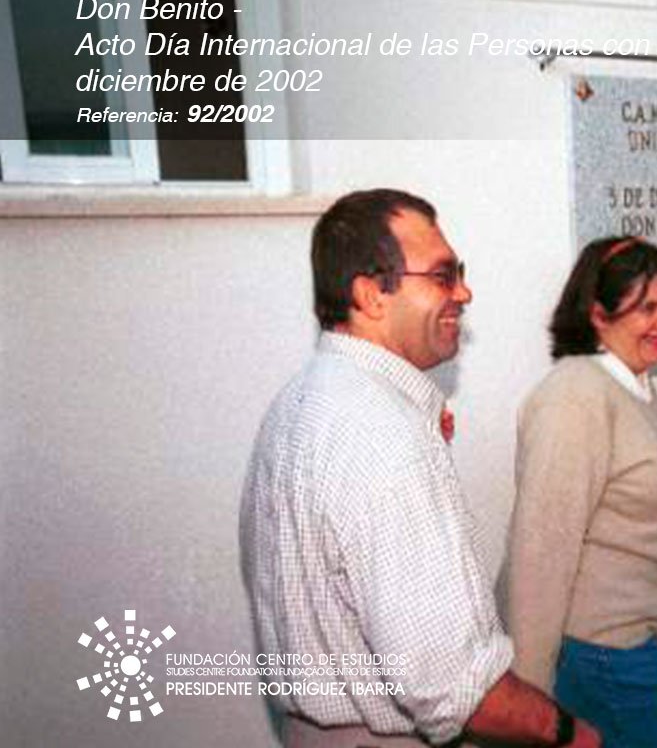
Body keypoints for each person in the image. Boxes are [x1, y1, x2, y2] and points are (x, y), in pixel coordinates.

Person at [240, 189, 598, 748]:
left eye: (460, 274)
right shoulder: (383, 432)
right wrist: (570, 734)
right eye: (442, 275)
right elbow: (455, 688)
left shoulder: (299, 402)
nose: (464, 292)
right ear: (370, 294)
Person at [507, 236, 657, 748]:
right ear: (598, 314)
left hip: (630, 650)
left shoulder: (631, 385)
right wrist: (530, 702)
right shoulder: (575, 395)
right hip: (601, 658)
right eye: (647, 308)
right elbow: (540, 553)